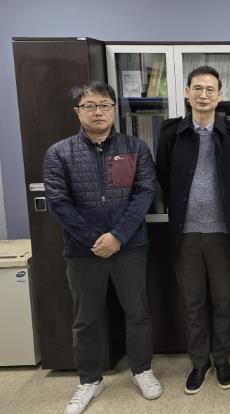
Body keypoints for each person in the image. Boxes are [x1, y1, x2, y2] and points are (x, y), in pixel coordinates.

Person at [43, 81, 161, 414]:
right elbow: (58, 202)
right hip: (83, 251)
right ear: (77, 111)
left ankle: (142, 370)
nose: (98, 112)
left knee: (137, 312)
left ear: (114, 109)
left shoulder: (135, 148)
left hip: (130, 246)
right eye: (90, 106)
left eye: (105, 105)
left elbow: (144, 193)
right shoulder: (59, 153)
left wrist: (118, 236)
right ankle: (89, 380)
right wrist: (96, 239)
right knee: (85, 319)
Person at [156, 66, 230, 394]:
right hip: (186, 234)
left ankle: (221, 359)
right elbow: (164, 177)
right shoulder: (170, 132)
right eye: (197, 88)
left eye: (210, 89)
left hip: (223, 233)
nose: (203, 95)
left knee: (223, 301)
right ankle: (199, 363)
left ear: (220, 96)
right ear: (187, 92)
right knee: (193, 303)